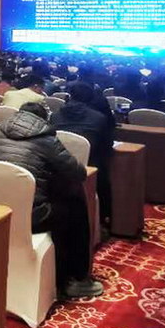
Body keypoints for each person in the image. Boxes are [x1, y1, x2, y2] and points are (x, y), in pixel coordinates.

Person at [0, 102, 102, 298]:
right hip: (31, 217)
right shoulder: (48, 141)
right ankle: (75, 278)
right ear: (43, 121)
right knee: (76, 206)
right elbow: (78, 173)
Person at [52, 82, 114, 225]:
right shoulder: (99, 118)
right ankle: (105, 217)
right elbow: (107, 146)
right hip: (89, 167)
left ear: (70, 96)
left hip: (58, 166)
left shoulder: (54, 116)